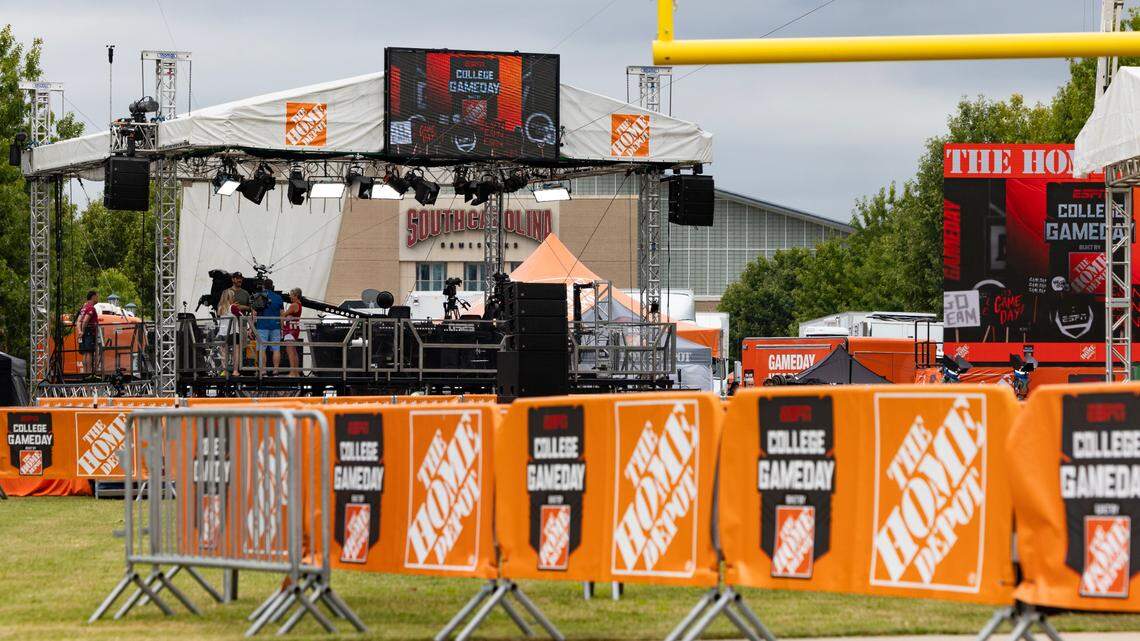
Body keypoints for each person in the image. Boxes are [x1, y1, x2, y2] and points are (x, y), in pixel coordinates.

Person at [255, 279, 284, 375]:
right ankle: (276, 369)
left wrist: (252, 326)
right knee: (276, 349)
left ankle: (263, 370)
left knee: (262, 349)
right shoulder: (279, 298)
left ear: (263, 286)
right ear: (272, 286)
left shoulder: (258, 296)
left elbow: (254, 313)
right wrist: (282, 327)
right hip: (275, 326)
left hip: (262, 326)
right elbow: (282, 314)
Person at [216, 288, 242, 376]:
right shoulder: (233, 307)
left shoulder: (220, 308)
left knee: (223, 351)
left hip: (223, 332)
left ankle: (225, 370)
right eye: (233, 296)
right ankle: (235, 370)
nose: (234, 298)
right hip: (233, 332)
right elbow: (242, 316)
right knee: (236, 351)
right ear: (229, 297)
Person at [75, 290, 100, 376]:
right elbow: (85, 320)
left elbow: (78, 321)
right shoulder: (91, 308)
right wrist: (83, 330)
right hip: (89, 332)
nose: (98, 298)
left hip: (84, 333)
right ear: (93, 297)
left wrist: (80, 331)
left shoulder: (83, 308)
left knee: (85, 353)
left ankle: (85, 373)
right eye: (97, 296)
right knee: (89, 352)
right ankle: (89, 373)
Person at [281, 288, 303, 376]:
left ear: (296, 295)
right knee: (294, 351)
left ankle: (292, 372)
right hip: (295, 328)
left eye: (291, 294)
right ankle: (296, 371)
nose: (289, 296)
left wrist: (283, 314)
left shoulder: (293, 305)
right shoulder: (299, 304)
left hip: (290, 329)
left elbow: (283, 315)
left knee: (290, 351)